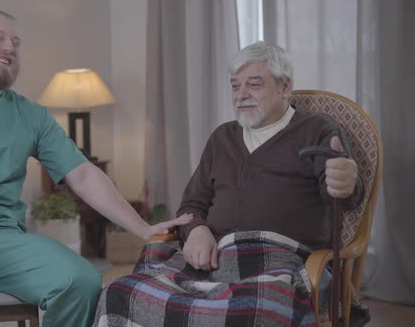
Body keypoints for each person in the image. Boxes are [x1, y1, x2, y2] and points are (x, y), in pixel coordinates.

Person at [0, 9, 192, 327]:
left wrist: (142, 228)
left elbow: (83, 174)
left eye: (15, 41)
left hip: (7, 240)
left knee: (81, 280)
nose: (10, 47)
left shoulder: (32, 116)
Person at [93, 41, 365, 326]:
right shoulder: (222, 138)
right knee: (118, 292)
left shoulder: (318, 130)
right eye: (235, 86)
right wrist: (196, 230)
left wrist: (346, 182)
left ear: (285, 87)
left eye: (254, 85)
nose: (241, 95)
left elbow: (345, 197)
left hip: (281, 264)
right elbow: (192, 203)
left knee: (254, 311)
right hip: (211, 262)